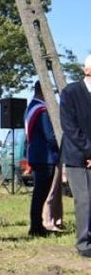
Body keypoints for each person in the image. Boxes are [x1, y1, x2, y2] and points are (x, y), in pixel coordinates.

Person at [58, 55, 91, 258]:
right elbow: (70, 127)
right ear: (86, 70)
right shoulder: (71, 93)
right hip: (77, 155)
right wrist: (89, 151)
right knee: (84, 199)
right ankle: (84, 243)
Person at [25, 81, 62, 236]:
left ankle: (36, 225)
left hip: (36, 154)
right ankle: (36, 227)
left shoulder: (31, 107)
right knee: (41, 194)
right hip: (45, 156)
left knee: (39, 194)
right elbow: (50, 136)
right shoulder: (42, 110)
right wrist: (62, 144)